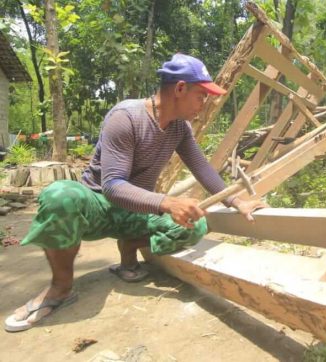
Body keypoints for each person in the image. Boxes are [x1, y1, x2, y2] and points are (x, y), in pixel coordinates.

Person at [4, 53, 266, 332]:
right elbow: (113, 186)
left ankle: (128, 248)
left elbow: (202, 168)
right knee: (60, 196)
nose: (204, 104)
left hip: (133, 211)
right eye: (201, 95)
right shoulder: (126, 116)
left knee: (194, 225)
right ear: (180, 89)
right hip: (96, 205)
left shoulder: (180, 128)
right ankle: (60, 288)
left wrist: (237, 201)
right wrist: (166, 202)